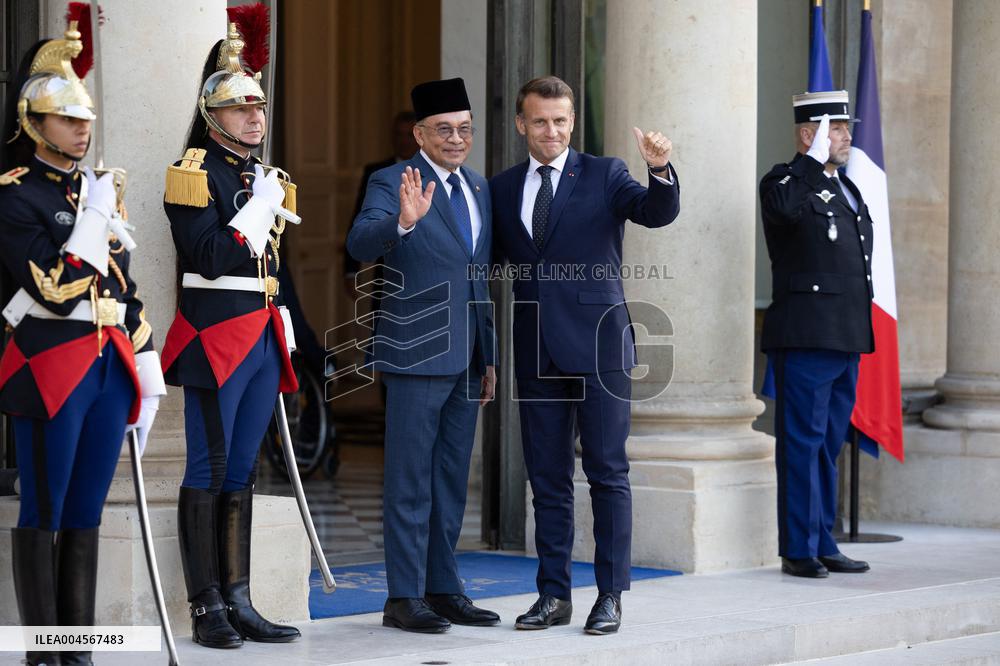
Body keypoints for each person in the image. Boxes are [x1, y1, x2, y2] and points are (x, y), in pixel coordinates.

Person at [0, 18, 165, 666]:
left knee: (86, 508)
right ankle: (43, 652)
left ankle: (78, 649)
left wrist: (145, 356)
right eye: (66, 119)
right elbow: (53, 285)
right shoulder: (16, 196)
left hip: (106, 368)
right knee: (44, 508)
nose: (81, 129)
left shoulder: (93, 189)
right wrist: (95, 217)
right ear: (34, 122)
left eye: (84, 119)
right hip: (51, 365)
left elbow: (122, 285)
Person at [490, 75, 679, 635]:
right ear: (521, 124)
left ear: (573, 122)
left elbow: (655, 212)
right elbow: (485, 259)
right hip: (537, 350)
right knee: (547, 479)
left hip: (601, 348)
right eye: (540, 121)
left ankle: (610, 595)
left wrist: (660, 170)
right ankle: (553, 596)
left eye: (561, 120)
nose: (551, 130)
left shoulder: (605, 173)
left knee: (606, 473)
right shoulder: (501, 188)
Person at [160, 16, 301, 649]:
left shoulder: (261, 175)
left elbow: (273, 270)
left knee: (243, 469)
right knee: (209, 466)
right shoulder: (194, 173)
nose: (254, 117)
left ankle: (239, 598)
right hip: (217, 335)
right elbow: (211, 256)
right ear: (211, 115)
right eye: (239, 108)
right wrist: (258, 210)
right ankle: (205, 604)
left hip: (263, 334)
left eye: (258, 107)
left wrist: (293, 331)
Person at [347, 77, 498, 634]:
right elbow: (360, 243)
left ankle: (443, 587)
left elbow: (478, 277)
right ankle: (404, 596)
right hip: (415, 352)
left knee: (451, 479)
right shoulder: (393, 180)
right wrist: (404, 222)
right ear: (419, 134)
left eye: (465, 129)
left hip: (467, 356)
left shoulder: (478, 186)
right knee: (409, 479)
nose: (456, 139)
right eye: (444, 129)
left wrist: (488, 354)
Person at [759, 90, 874, 579]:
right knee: (802, 443)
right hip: (806, 335)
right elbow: (783, 211)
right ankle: (798, 547)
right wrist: (809, 161)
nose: (846, 137)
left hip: (845, 335)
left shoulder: (846, 188)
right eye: (836, 129)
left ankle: (824, 539)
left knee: (828, 444)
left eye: (846, 129)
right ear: (809, 135)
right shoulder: (785, 181)